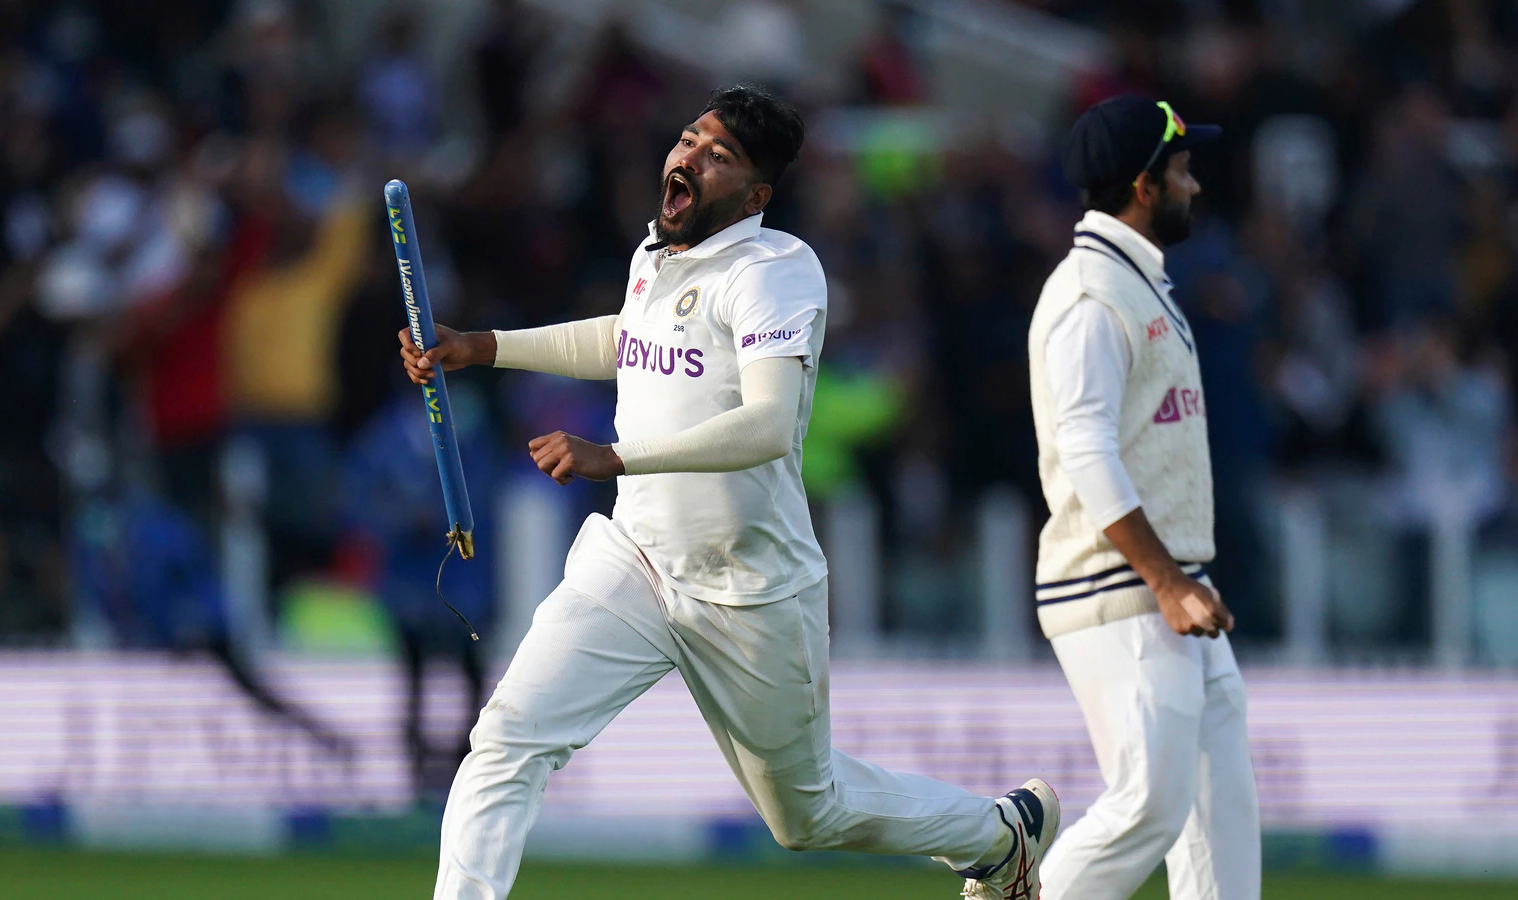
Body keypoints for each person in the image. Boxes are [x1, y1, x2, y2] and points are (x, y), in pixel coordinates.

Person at [400, 85, 1059, 900]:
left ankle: (1001, 836)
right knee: (506, 738)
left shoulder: (777, 271)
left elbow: (770, 426)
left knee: (805, 817)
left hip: (749, 589)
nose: (689, 159)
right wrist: (480, 346)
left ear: (755, 196)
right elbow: (622, 335)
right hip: (635, 561)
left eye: (719, 157)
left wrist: (616, 456)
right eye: (688, 140)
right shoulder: (657, 254)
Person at [1027, 97, 1260, 900]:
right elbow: (1085, 452)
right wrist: (1165, 582)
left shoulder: (1136, 283)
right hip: (1122, 589)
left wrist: (1179, 583)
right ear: (1142, 185)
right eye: (1183, 170)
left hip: (1173, 588)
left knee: (1219, 819)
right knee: (1149, 809)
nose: (1194, 185)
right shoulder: (1091, 295)